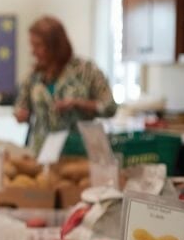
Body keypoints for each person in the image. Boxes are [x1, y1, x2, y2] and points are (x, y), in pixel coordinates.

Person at [14, 16, 117, 152]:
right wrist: (20, 114)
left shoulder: (86, 70)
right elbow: (20, 107)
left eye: (38, 46)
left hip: (80, 149)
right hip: (42, 151)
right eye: (32, 46)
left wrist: (78, 103)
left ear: (55, 45)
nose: (33, 52)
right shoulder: (34, 76)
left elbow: (110, 107)